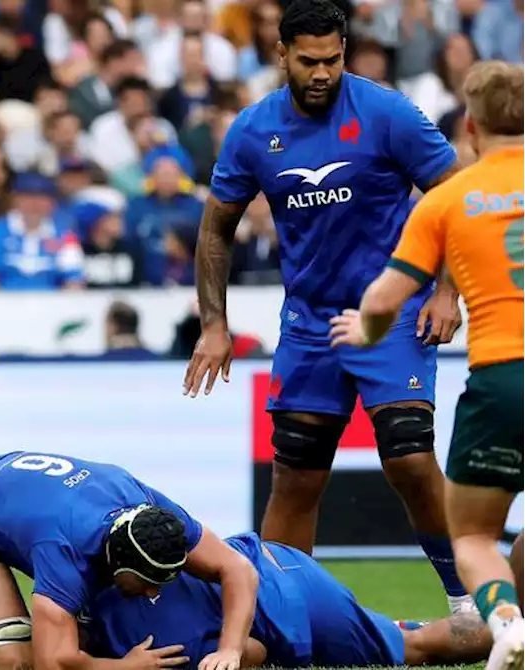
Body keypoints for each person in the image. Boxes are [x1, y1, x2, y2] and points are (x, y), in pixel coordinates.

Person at [183, 0, 471, 614]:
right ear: (281, 54)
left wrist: (446, 290)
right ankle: (283, 616)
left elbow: (454, 194)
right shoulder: (253, 130)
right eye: (309, 61)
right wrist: (214, 325)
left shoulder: (386, 111)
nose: (322, 73)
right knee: (296, 476)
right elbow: (215, 229)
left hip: (390, 313)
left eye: (333, 60)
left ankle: (471, 602)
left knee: (411, 457)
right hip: (310, 322)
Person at [328, 60, 525, 670]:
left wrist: (365, 329)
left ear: (469, 126)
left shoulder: (449, 200)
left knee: (470, 535)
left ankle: (507, 622)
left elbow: (386, 297)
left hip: (501, 381)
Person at [0, 451, 259, 670]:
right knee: (16, 663)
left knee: (85, 642)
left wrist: (231, 649)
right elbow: (50, 665)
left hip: (12, 491)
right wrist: (126, 669)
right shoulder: (64, 555)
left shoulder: (151, 512)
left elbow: (237, 568)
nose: (155, 591)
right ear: (118, 565)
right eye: (149, 580)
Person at [83, 532, 492, 668]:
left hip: (285, 601)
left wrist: (227, 650)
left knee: (411, 648)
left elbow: (254, 651)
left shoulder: (149, 648)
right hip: (263, 556)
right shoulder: (99, 573)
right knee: (401, 636)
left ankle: (509, 628)